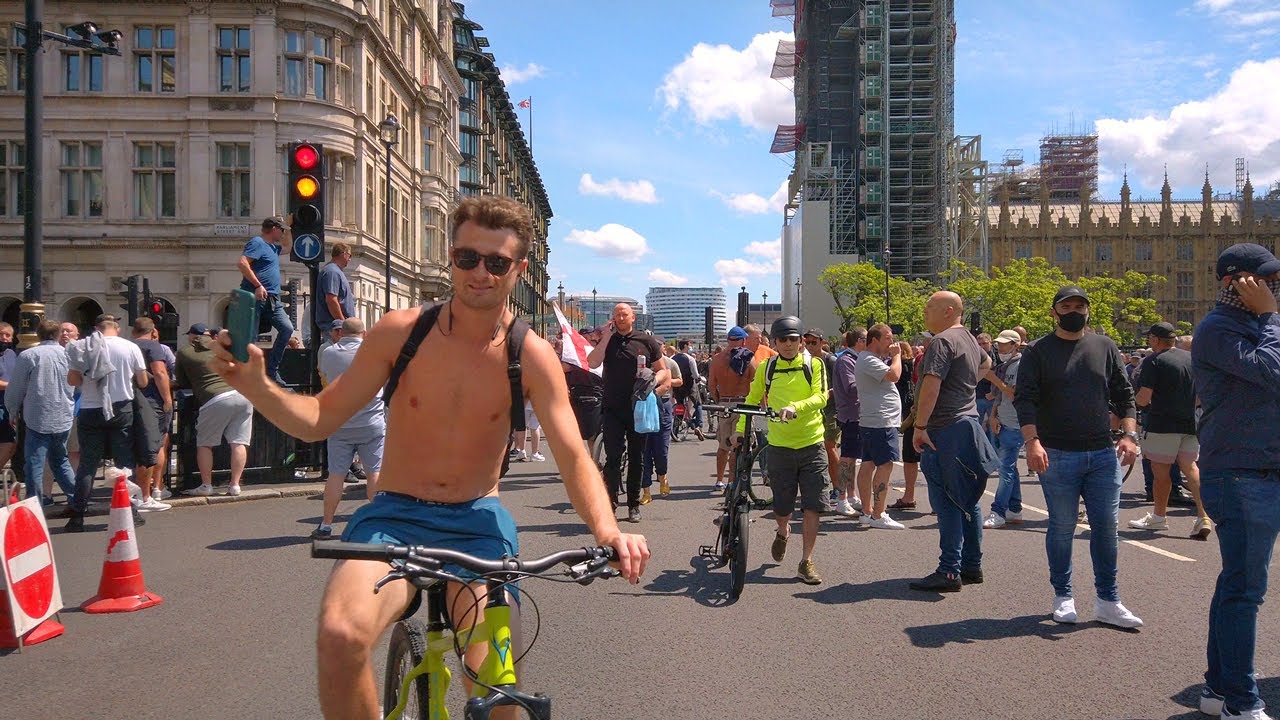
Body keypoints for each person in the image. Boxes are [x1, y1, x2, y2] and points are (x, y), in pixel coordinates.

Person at [207, 194, 648, 720]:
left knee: (496, 692)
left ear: (518, 270)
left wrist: (607, 531)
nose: (479, 274)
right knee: (341, 635)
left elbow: (573, 453)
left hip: (476, 524)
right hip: (393, 516)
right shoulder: (401, 332)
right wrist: (258, 387)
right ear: (451, 257)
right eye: (467, 258)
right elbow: (320, 418)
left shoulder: (530, 354)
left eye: (497, 262)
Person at [1014, 286, 1144, 628]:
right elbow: (1025, 399)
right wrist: (1032, 442)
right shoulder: (1038, 351)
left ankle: (1108, 601)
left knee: (1106, 528)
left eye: (1080, 306)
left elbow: (1124, 393)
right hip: (1056, 453)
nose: (1074, 311)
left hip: (1103, 452)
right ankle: (1063, 595)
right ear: (1054, 312)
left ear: (1089, 311)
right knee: (1061, 526)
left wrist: (1129, 435)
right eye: (1067, 305)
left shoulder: (1105, 346)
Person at [1191, 243, 1280, 720]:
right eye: (1265, 279)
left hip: (1265, 467)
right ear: (1235, 282)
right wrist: (1271, 319)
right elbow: (1274, 373)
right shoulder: (1219, 328)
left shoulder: (1256, 325)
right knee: (1246, 589)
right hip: (1243, 473)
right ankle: (1242, 703)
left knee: (1236, 586)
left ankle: (1218, 690)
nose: (1273, 287)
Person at [909, 292, 996, 593]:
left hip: (944, 428)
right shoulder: (971, 340)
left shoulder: (943, 341)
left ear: (948, 311)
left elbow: (931, 384)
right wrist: (966, 388)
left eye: (929, 307)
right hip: (968, 425)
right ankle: (971, 565)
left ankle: (949, 570)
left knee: (947, 500)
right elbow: (985, 364)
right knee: (967, 498)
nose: (924, 312)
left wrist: (920, 426)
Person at [735, 316, 827, 585]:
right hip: (779, 445)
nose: (788, 344)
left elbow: (821, 397)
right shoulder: (767, 367)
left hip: (812, 444)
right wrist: (741, 428)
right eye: (783, 339)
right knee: (782, 505)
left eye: (793, 339)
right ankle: (783, 531)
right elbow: (752, 400)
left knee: (813, 505)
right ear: (774, 342)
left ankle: (806, 561)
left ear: (801, 342)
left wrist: (795, 407)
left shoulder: (815, 364)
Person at [1127, 321, 1213, 539]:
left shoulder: (1153, 361)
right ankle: (1203, 516)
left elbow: (1144, 397)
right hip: (1188, 423)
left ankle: (1159, 517)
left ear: (1156, 340)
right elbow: (1201, 396)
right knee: (1191, 468)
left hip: (1161, 425)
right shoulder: (1191, 360)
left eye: (1150, 338)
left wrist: (1133, 405)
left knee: (1161, 474)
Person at [64, 314, 149, 532]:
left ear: (96, 329)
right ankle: (129, 512)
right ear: (117, 328)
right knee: (123, 463)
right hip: (121, 409)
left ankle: (77, 516)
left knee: (87, 465)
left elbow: (73, 381)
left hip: (90, 409)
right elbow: (142, 381)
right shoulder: (129, 348)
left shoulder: (82, 347)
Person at [587, 303, 667, 522]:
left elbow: (663, 372)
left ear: (633, 318)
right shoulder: (608, 340)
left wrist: (653, 384)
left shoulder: (646, 341)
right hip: (612, 408)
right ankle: (610, 504)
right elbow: (592, 362)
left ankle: (633, 505)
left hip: (638, 408)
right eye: (617, 315)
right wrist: (605, 337)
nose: (621, 318)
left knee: (637, 457)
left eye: (625, 314)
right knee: (612, 457)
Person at [313, 318, 384, 539]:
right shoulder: (375, 353)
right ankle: (376, 526)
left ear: (341, 333)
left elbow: (324, 375)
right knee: (374, 473)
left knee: (336, 475)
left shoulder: (329, 353)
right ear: (364, 333)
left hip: (340, 422)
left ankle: (325, 525)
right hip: (371, 421)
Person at [176, 324, 254, 497]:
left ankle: (206, 485)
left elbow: (181, 380)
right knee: (238, 442)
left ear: (192, 336)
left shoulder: (184, 352)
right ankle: (234, 485)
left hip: (216, 398)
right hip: (242, 395)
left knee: (205, 444)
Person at [4, 320, 75, 505]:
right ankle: (77, 499)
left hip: (38, 414)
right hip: (63, 414)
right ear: (59, 334)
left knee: (34, 463)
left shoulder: (29, 355)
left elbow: (16, 388)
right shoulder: (69, 355)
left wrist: (12, 410)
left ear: (38, 334)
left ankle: (34, 502)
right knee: (61, 460)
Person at [855, 324, 906, 529]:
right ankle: (878, 514)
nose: (891, 342)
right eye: (887, 338)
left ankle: (868, 511)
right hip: (881, 421)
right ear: (874, 339)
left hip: (875, 420)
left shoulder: (870, 359)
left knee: (868, 464)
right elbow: (894, 375)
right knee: (885, 465)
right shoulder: (868, 359)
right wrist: (897, 356)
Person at [237, 217, 295, 385]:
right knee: (251, 336)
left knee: (287, 328)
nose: (283, 233)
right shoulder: (257, 242)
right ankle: (247, 374)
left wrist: (289, 228)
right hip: (256, 297)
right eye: (282, 230)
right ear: (274, 229)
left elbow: (288, 247)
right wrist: (257, 285)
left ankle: (271, 370)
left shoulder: (273, 248)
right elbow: (242, 263)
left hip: (273, 299)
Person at [130, 318, 175, 512]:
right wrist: (167, 399)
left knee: (133, 445)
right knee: (155, 445)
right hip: (151, 401)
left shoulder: (127, 346)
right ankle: (152, 489)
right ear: (153, 331)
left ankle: (135, 491)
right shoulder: (153, 347)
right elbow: (160, 373)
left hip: (128, 400)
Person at [984, 330, 1024, 529]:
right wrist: (993, 416)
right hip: (1004, 421)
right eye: (998, 344)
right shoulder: (1005, 366)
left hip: (1016, 424)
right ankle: (1014, 508)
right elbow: (1000, 395)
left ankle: (998, 511)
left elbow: (1013, 393)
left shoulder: (1020, 366)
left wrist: (992, 377)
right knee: (1008, 467)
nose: (1000, 348)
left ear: (1015, 345)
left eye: (1004, 344)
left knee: (1006, 469)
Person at [707, 326, 756, 489]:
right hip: (743, 404)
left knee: (723, 446)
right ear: (743, 340)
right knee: (739, 446)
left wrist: (719, 401)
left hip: (724, 405)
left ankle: (719, 480)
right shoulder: (749, 359)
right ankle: (732, 482)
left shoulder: (717, 359)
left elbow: (712, 386)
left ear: (728, 340)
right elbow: (756, 385)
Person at [831, 328, 867, 516]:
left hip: (856, 414)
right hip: (851, 415)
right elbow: (852, 387)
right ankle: (842, 499)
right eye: (867, 339)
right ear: (859, 341)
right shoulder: (846, 360)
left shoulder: (855, 359)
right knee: (847, 458)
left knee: (852, 458)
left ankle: (851, 496)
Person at [804, 328, 840, 508]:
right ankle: (821, 486)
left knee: (829, 446)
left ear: (822, 342)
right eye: (807, 342)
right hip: (812, 410)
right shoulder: (805, 361)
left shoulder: (830, 360)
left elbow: (841, 386)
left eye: (814, 342)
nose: (810, 346)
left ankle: (839, 487)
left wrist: (823, 394)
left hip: (831, 409)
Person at [640, 344, 679, 503]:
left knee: (661, 451)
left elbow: (670, 383)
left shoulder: (668, 363)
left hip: (662, 405)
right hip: (642, 407)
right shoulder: (639, 362)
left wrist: (651, 394)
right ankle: (646, 491)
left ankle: (662, 476)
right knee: (644, 452)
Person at [315, 242, 355, 331]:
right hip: (336, 329)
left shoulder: (336, 271)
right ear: (344, 254)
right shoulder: (332, 272)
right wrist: (342, 323)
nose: (350, 259)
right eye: (350, 255)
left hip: (338, 327)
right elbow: (331, 300)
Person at [671, 339, 705, 441]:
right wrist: (699, 378)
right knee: (698, 404)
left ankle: (675, 430)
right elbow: (694, 374)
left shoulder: (673, 358)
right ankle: (699, 425)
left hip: (678, 386)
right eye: (689, 345)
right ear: (685, 346)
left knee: (680, 406)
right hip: (689, 385)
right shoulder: (690, 359)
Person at [0, 322, 15, 481]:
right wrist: (14, 386)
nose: (4, 338)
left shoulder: (11, 353)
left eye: (7, 335)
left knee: (11, 445)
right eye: (1, 334)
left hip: (8, 404)